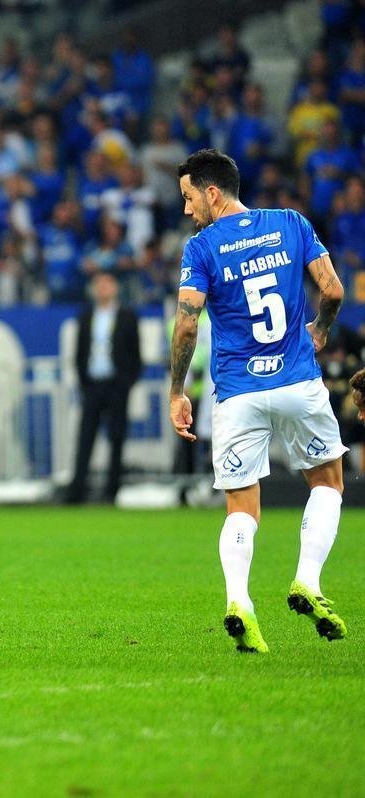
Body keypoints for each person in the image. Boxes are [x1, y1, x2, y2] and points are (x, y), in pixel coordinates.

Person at [169, 148, 348, 653]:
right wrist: (319, 329)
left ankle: (239, 601)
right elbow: (332, 291)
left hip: (237, 393)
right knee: (329, 480)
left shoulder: (201, 249)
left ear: (211, 192)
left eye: (188, 199)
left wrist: (177, 391)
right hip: (297, 382)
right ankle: (308, 580)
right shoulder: (291, 223)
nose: (186, 211)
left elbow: (187, 324)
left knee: (241, 506)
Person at [65, 271, 142, 504]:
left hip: (116, 385)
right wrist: (83, 381)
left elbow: (134, 353)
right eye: (99, 284)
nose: (103, 289)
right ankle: (77, 490)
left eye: (107, 284)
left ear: (115, 288)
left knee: (116, 438)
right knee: (85, 437)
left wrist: (126, 383)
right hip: (93, 385)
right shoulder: (87, 315)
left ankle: (112, 491)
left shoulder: (127, 315)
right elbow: (79, 351)